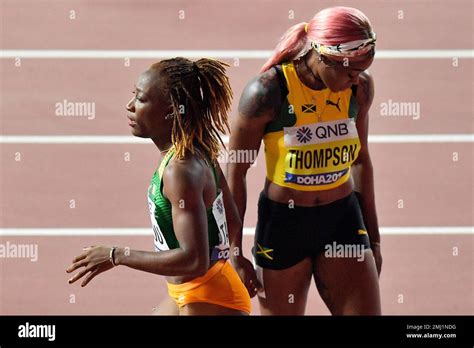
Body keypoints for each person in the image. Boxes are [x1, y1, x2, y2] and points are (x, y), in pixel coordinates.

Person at [67, 57, 259, 315]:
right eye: (133, 95)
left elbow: (194, 259)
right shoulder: (198, 148)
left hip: (209, 298)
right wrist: (229, 255)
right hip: (190, 292)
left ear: (172, 110)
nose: (130, 106)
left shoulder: (179, 171)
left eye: (142, 99)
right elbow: (231, 219)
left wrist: (116, 255)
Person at [227, 6, 382, 315]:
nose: (356, 80)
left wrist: (374, 240)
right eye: (350, 72)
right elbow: (235, 171)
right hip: (284, 225)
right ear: (323, 56)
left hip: (342, 221)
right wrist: (234, 251)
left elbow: (361, 161)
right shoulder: (267, 92)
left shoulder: (360, 89)